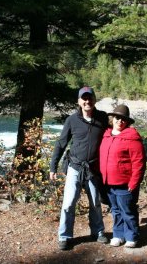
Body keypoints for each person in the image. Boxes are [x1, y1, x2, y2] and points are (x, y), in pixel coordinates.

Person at [50, 86, 109, 250]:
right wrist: (52, 166)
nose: (87, 101)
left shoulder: (102, 118)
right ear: (79, 101)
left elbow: (112, 137)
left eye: (90, 98)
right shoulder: (72, 120)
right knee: (68, 203)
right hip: (75, 167)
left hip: (93, 168)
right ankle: (64, 236)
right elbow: (61, 143)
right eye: (84, 98)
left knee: (95, 202)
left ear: (94, 100)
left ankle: (98, 232)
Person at [99, 104, 146, 248]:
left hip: (125, 183)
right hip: (108, 182)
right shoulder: (106, 135)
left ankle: (131, 236)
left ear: (127, 122)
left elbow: (139, 163)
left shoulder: (132, 138)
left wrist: (134, 183)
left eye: (123, 119)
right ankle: (118, 235)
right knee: (115, 210)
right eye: (117, 118)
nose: (120, 121)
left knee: (128, 210)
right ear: (112, 119)